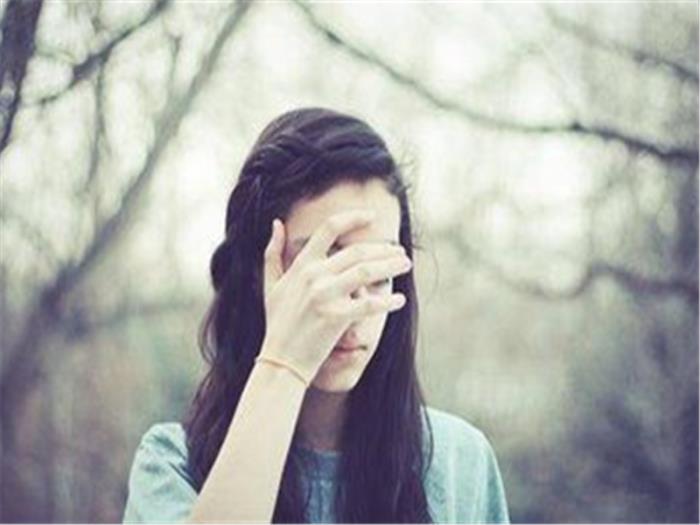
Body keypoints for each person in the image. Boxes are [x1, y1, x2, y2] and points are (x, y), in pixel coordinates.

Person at [122, 107, 510, 523]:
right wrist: (284, 362)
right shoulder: (172, 467)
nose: (354, 301)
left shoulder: (458, 464)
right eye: (324, 265)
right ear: (256, 273)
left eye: (376, 268)